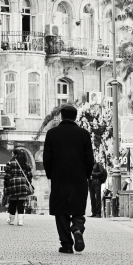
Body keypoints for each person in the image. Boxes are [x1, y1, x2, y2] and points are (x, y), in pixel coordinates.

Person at [43, 105, 94, 254]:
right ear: (75, 117)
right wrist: (86, 174)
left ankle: (66, 244)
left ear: (61, 116)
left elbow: (47, 158)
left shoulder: (52, 134)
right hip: (79, 177)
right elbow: (89, 159)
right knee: (77, 208)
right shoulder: (84, 134)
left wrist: (51, 174)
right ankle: (77, 228)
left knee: (61, 211)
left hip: (59, 177)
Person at [4, 149, 33, 226]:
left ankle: (11, 221)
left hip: (12, 185)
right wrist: (29, 183)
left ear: (15, 155)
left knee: (12, 203)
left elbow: (7, 175)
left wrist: (6, 185)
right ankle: (20, 221)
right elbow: (29, 175)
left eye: (13, 154)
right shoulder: (26, 164)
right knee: (21, 203)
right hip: (22, 185)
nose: (12, 155)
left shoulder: (10, 163)